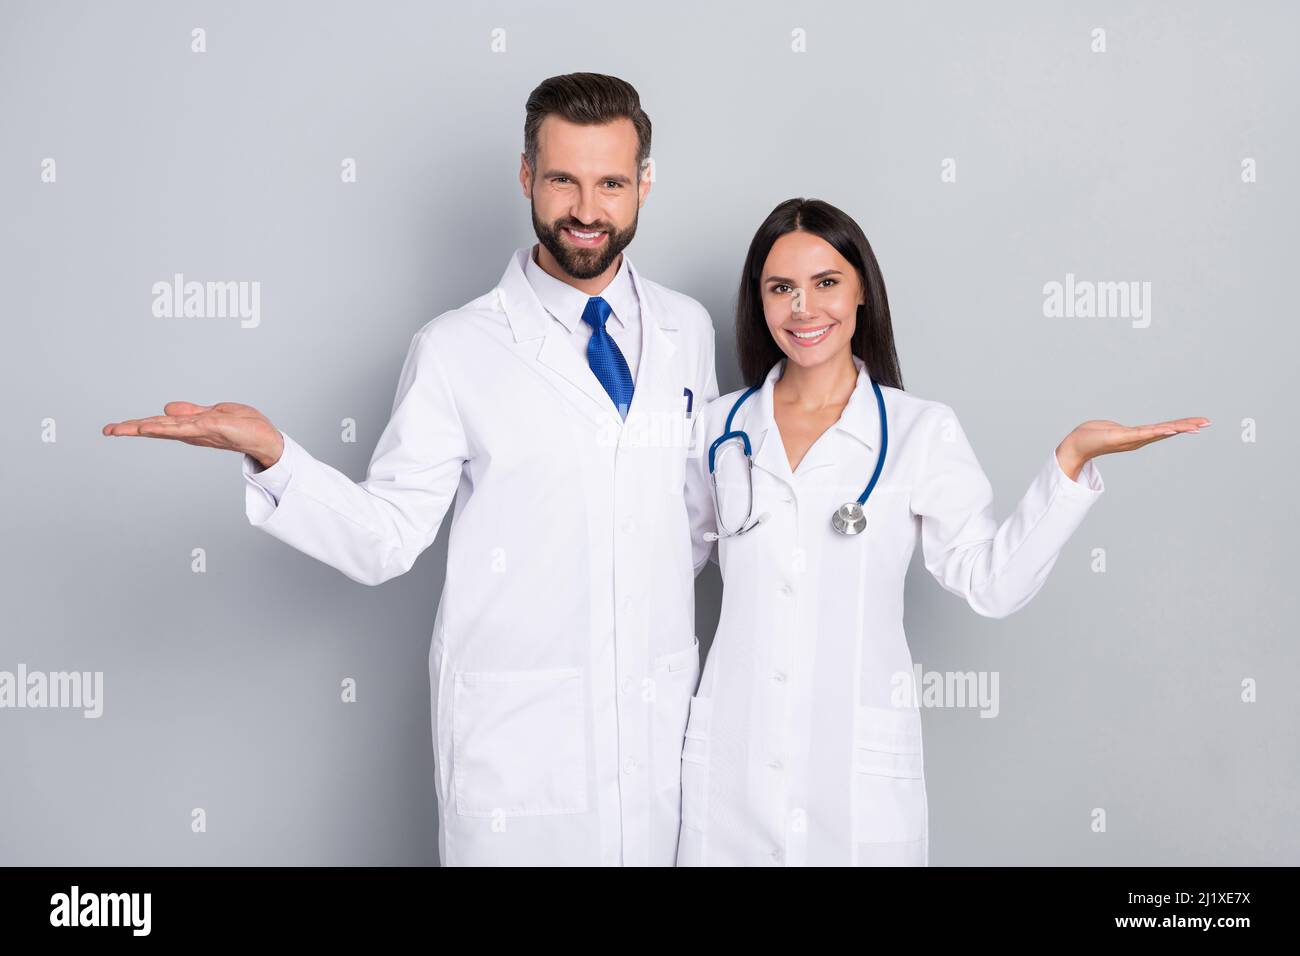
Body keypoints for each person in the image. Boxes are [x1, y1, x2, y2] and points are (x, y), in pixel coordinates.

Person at [102, 73, 719, 866]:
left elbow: (693, 520)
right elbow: (386, 537)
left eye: (611, 183)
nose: (588, 211)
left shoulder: (687, 330)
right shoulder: (457, 349)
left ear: (643, 183)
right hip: (521, 753)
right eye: (563, 178)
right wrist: (273, 453)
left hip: (660, 734)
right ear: (526, 175)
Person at [678, 197, 1207, 867]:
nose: (803, 308)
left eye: (827, 283)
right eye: (781, 288)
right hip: (732, 776)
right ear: (760, 302)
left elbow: (991, 583)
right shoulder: (720, 431)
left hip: (854, 781)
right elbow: (662, 566)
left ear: (863, 289)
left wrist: (1071, 460)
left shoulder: (918, 431)